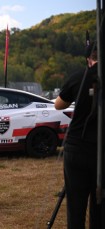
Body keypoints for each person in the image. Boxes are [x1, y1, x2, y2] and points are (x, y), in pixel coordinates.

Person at [55, 42, 103, 228]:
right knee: (100, 203)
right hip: (100, 149)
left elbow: (59, 104)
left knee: (76, 202)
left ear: (88, 59)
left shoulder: (79, 77)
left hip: (77, 147)